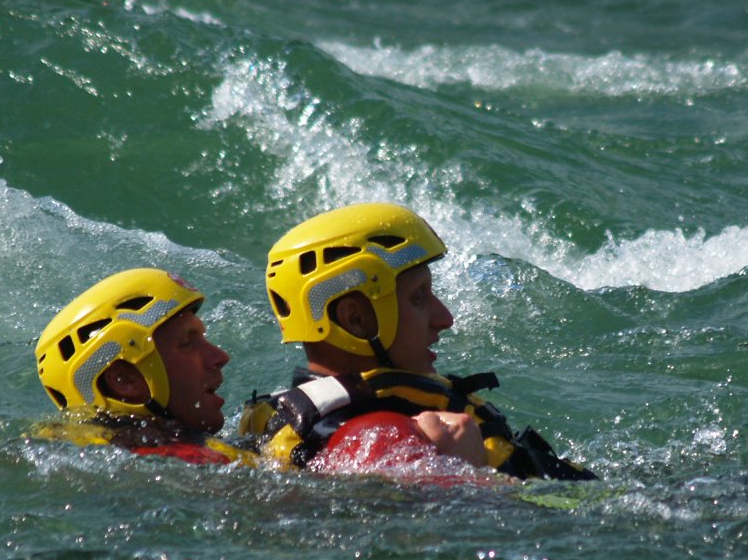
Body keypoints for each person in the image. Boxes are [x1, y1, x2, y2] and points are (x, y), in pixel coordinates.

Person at [241, 203, 595, 480]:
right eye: (418, 298)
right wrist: (467, 471)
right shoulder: (379, 439)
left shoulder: (299, 421)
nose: (445, 319)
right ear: (355, 319)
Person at [34, 268, 252, 465]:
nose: (220, 357)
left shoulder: (67, 447)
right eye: (187, 343)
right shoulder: (180, 460)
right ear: (124, 380)